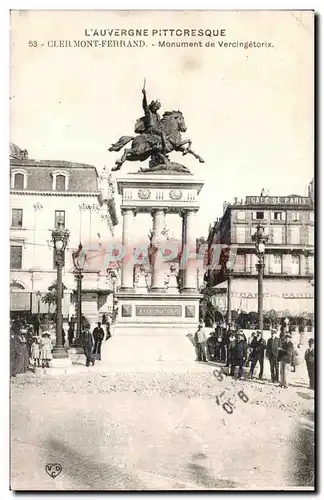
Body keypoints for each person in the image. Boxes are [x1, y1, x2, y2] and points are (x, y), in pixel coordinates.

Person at [141, 87, 167, 152]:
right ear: (152, 106)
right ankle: (164, 147)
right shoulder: (148, 112)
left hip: (156, 129)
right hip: (151, 129)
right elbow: (144, 104)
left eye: (157, 108)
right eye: (155, 107)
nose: (156, 108)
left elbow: (159, 124)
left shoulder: (158, 115)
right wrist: (144, 95)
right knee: (162, 133)